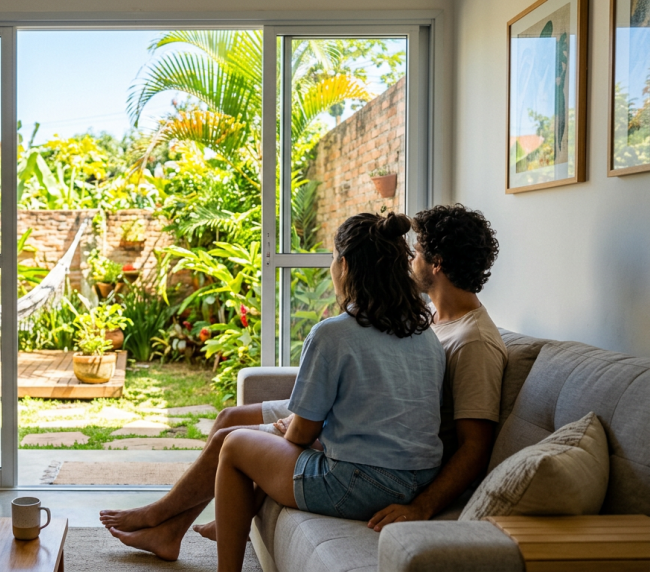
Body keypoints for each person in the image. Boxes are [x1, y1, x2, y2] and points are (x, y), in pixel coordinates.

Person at [99, 204, 505, 559]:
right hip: (405, 462)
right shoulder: (425, 331)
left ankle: (164, 519)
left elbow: (471, 443)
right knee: (235, 422)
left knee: (234, 440)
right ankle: (170, 529)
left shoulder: (464, 340)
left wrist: (298, 432)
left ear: (344, 265)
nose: (413, 259)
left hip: (365, 473)